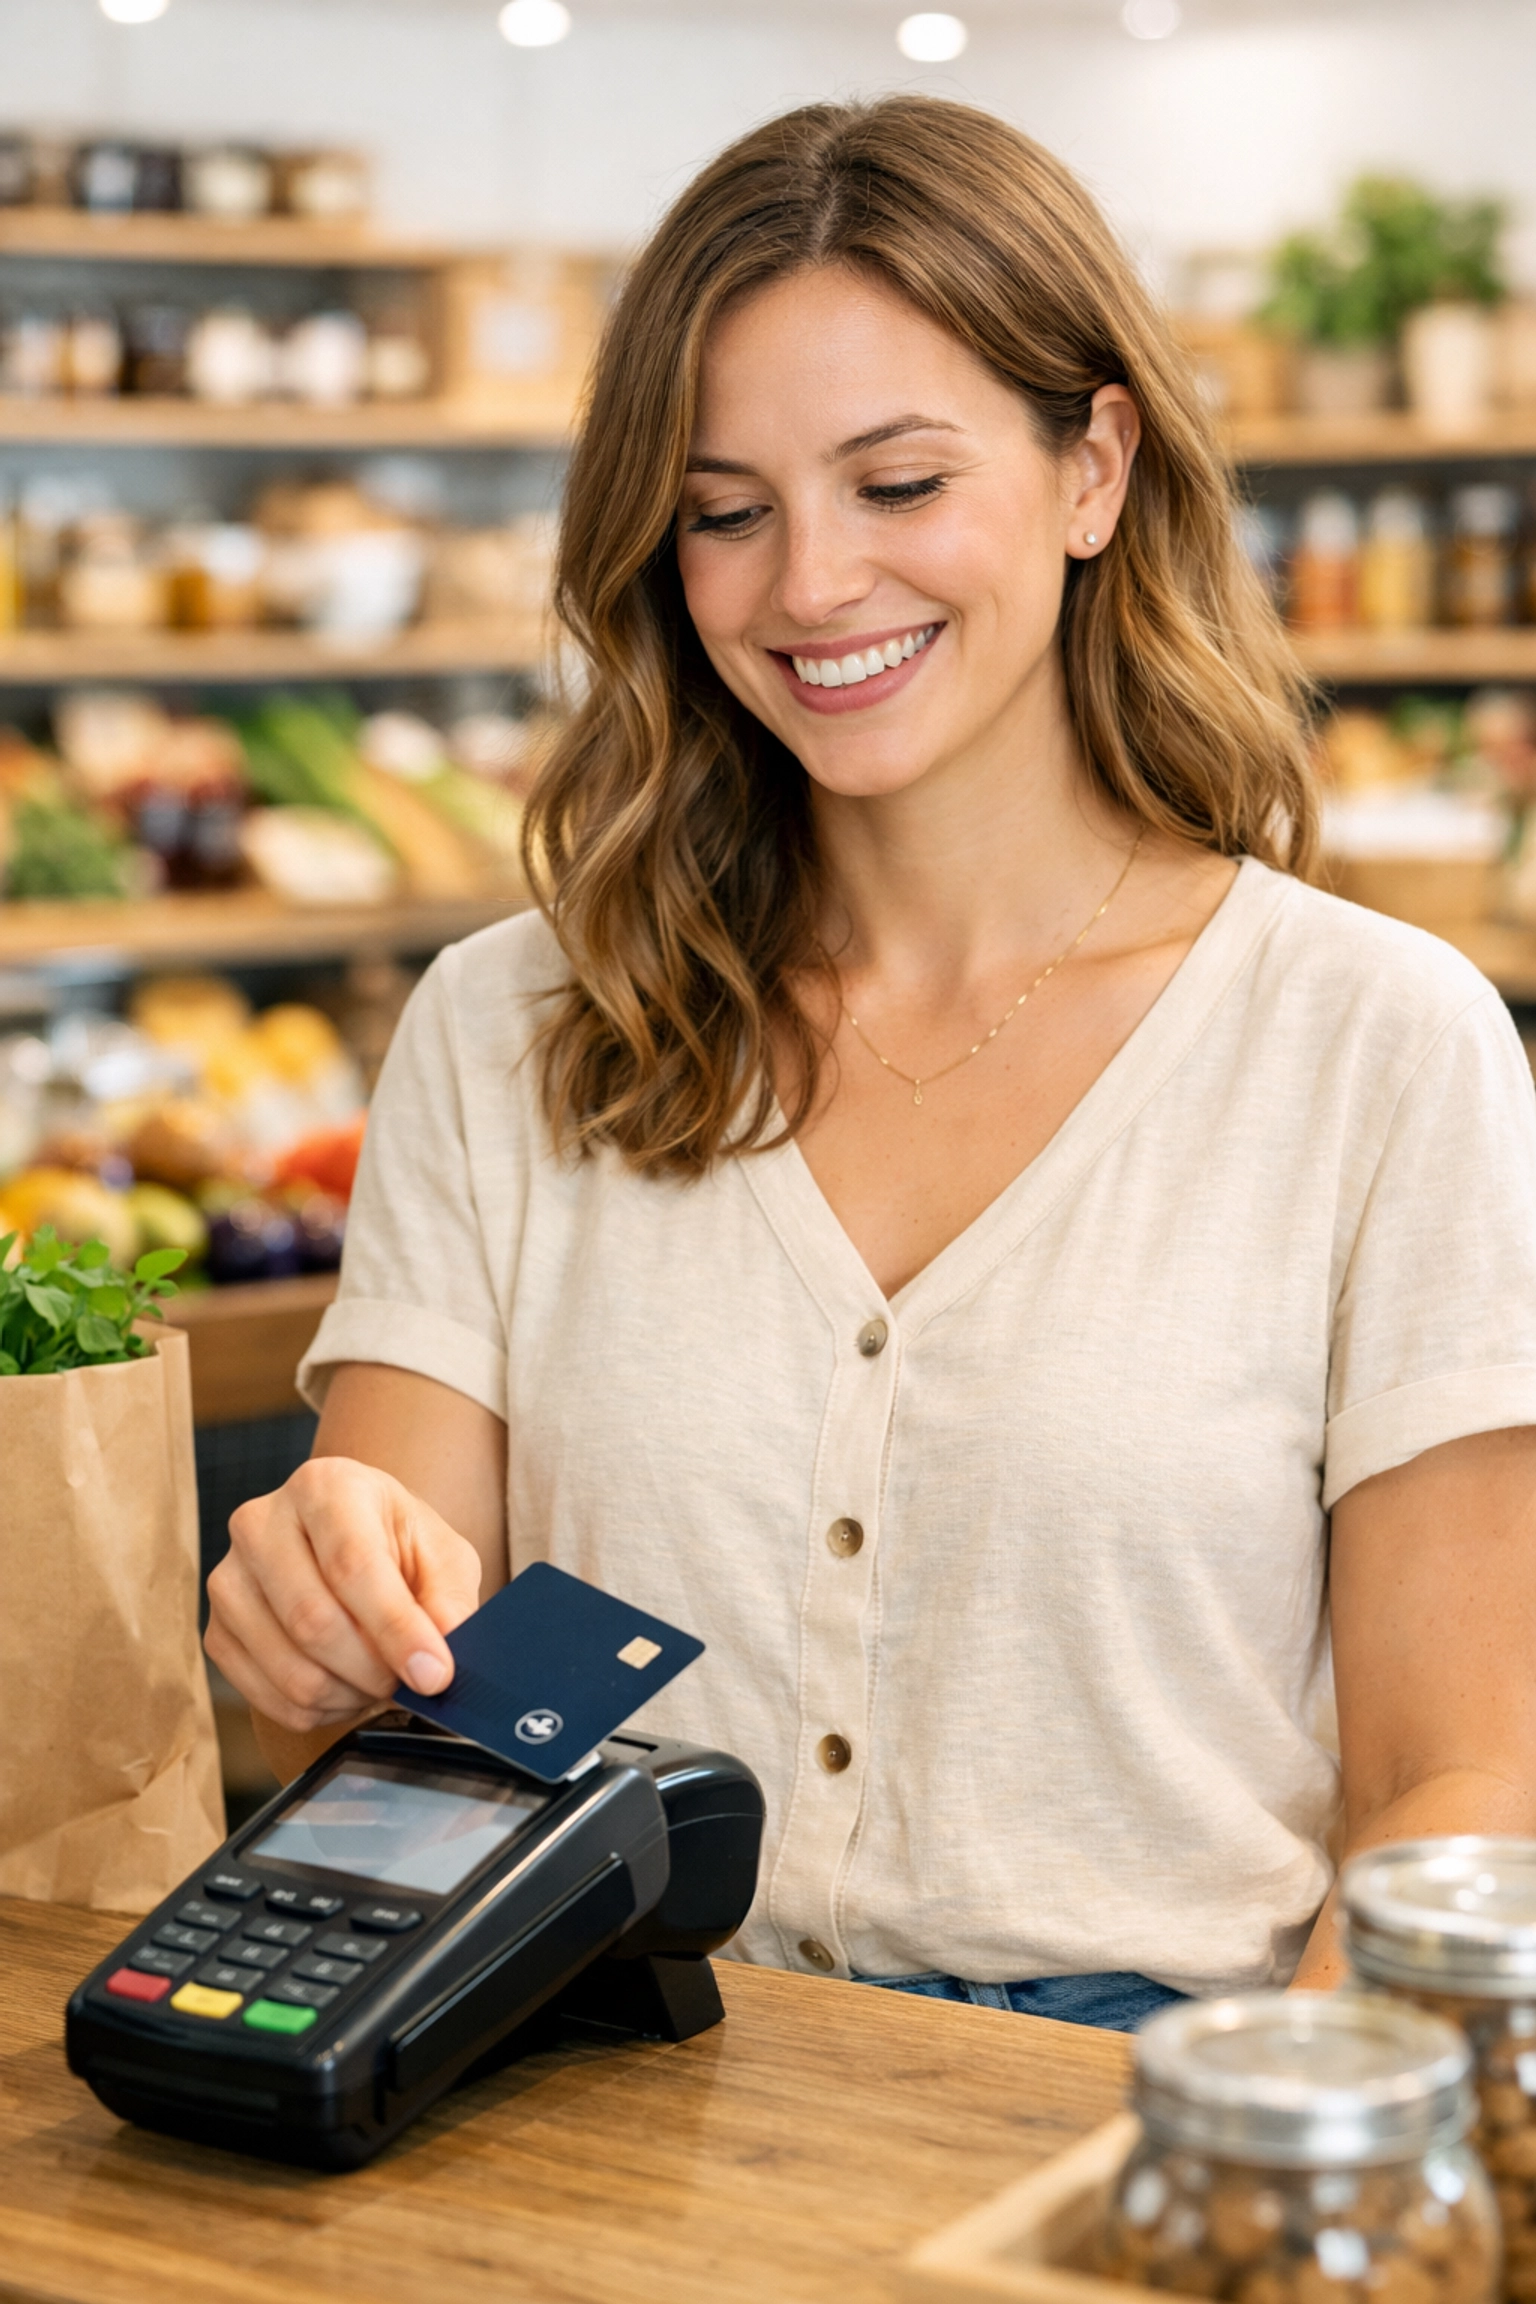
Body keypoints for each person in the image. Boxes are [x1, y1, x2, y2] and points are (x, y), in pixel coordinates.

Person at [206, 96, 1536, 2033]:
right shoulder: (509, 1036)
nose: (808, 586)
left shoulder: (1379, 1053)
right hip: (593, 2080)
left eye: (897, 486)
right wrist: (316, 1611)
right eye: (727, 512)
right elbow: (398, 1692)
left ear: (1095, 467)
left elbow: (1461, 1792)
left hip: (1139, 2113)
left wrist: (1265, 2161)